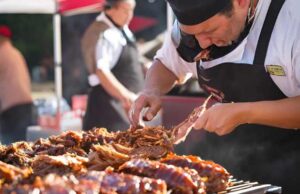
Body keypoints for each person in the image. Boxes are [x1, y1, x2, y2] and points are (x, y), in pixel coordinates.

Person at [130, 0, 300, 193]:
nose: (201, 42)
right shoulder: (193, 28)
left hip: (291, 159)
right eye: (193, 34)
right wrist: (152, 90)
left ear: (241, 2)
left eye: (209, 31)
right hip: (230, 152)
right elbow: (167, 64)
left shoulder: (293, 21)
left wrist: (243, 113)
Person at [81, 0, 144, 131]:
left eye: (132, 10)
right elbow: (101, 71)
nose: (129, 15)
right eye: (125, 10)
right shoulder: (103, 32)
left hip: (123, 108)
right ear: (110, 9)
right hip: (108, 109)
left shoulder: (122, 29)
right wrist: (126, 96)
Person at [0, 25, 34, 144]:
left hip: (11, 109)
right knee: (25, 145)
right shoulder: (16, 53)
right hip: (26, 104)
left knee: (10, 148)